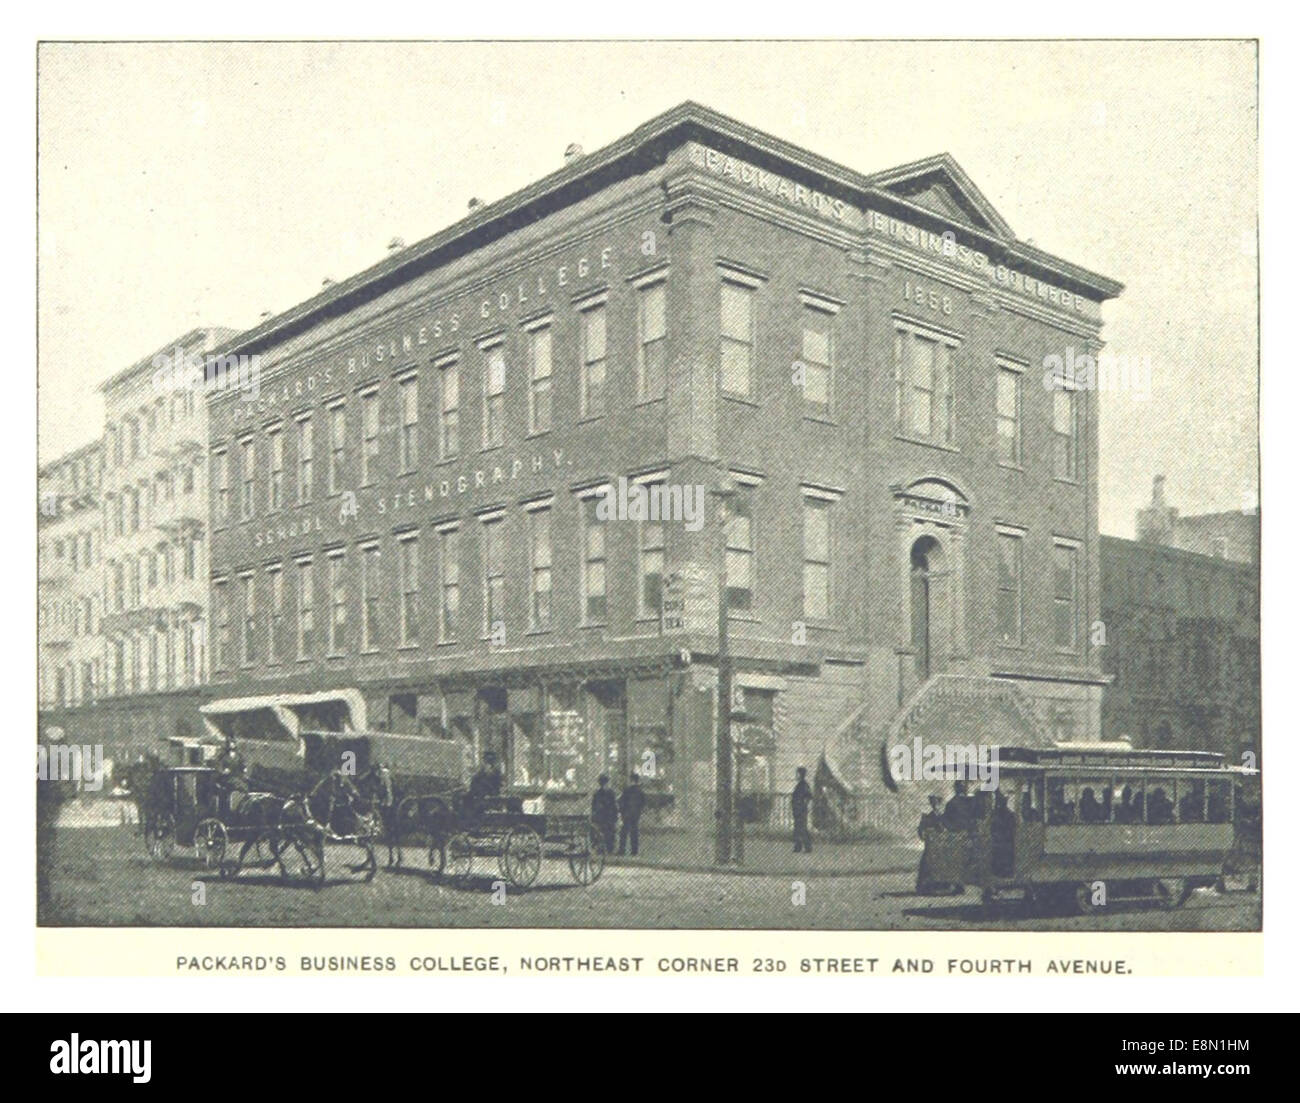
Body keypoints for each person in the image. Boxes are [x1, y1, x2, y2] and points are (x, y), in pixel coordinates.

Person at [915, 795, 948, 894]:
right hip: (931, 846)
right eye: (933, 803)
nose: (935, 805)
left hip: (941, 846)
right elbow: (921, 830)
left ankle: (942, 886)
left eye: (937, 803)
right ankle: (926, 887)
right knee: (927, 865)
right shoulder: (927, 817)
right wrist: (924, 835)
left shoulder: (943, 816)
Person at [617, 772, 646, 856]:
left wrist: (621, 811)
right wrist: (639, 811)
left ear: (631, 780)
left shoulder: (627, 790)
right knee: (634, 833)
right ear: (637, 781)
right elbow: (643, 803)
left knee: (624, 833)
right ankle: (634, 851)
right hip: (636, 815)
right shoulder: (640, 791)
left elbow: (621, 801)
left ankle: (622, 850)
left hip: (627, 814)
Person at [466, 750, 503, 815]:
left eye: (491, 762)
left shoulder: (497, 775)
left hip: (493, 803)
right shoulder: (478, 777)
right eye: (487, 762)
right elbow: (473, 790)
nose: (489, 765)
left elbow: (499, 789)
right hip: (480, 805)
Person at [591, 774, 618, 854]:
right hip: (607, 817)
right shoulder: (610, 793)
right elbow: (614, 806)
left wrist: (594, 815)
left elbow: (594, 806)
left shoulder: (597, 793)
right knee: (608, 834)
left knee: (602, 833)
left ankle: (602, 849)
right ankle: (608, 849)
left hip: (602, 817)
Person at [791, 767, 813, 853]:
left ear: (800, 774)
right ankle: (798, 846)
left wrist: (802, 805)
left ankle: (807, 847)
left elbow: (808, 796)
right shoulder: (801, 785)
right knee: (798, 828)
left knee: (802, 828)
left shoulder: (803, 785)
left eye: (797, 773)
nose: (796, 775)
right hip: (798, 809)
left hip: (800, 810)